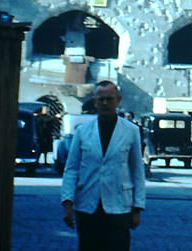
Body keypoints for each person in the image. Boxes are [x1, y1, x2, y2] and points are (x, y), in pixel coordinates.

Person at [61, 81, 146, 251]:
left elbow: (137, 170)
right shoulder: (82, 131)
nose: (105, 103)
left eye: (109, 99)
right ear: (94, 101)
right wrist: (67, 203)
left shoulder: (131, 131)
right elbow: (71, 169)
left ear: (118, 100)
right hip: (88, 205)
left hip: (119, 206)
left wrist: (137, 208)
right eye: (101, 99)